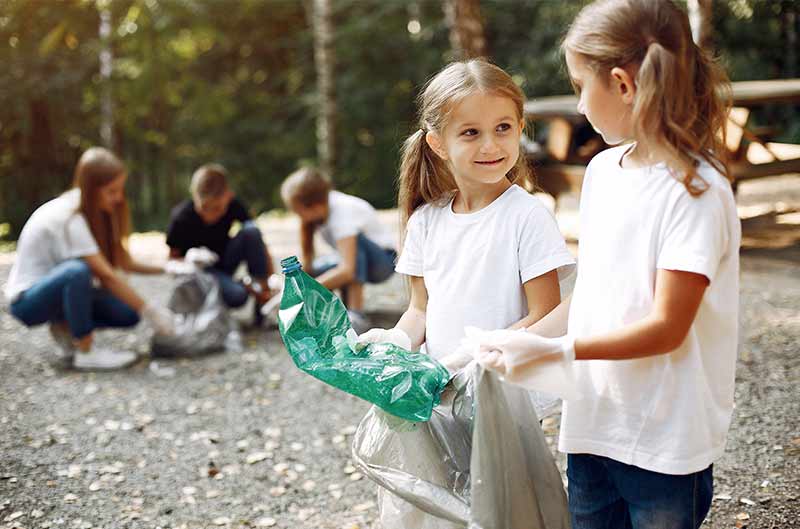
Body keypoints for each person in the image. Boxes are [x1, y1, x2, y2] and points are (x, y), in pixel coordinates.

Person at [473, 2, 740, 528]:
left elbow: (667, 329)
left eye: (578, 86)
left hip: (666, 442)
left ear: (621, 84)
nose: (577, 104)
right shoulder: (601, 172)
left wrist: (555, 351)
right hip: (593, 425)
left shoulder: (697, 190)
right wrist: (512, 339)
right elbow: (594, 292)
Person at [356, 59, 576, 527]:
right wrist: (396, 341)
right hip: (435, 395)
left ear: (520, 128)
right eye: (471, 133)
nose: (492, 145)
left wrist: (472, 358)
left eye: (502, 128)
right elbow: (420, 309)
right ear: (438, 143)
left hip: (497, 392)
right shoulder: (426, 221)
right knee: (440, 508)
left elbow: (546, 313)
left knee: (501, 507)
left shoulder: (526, 216)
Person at [6, 147, 175, 370]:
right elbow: (106, 275)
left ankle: (64, 328)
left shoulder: (94, 214)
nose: (119, 198)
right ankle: (86, 351)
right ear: (91, 189)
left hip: (53, 291)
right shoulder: (69, 217)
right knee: (77, 271)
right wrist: (151, 310)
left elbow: (123, 263)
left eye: (120, 190)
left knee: (128, 314)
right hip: (27, 301)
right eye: (112, 191)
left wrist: (170, 267)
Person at [280, 166, 398, 333]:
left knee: (355, 246)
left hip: (382, 262)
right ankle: (326, 312)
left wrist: (307, 291)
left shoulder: (342, 214)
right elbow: (309, 264)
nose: (299, 217)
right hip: (350, 260)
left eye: (299, 212)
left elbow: (348, 270)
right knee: (310, 272)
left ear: (315, 206)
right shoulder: (320, 213)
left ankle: (356, 313)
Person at [166, 164, 274, 325]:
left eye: (217, 208)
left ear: (228, 196)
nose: (210, 215)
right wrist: (192, 261)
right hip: (203, 273)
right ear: (195, 197)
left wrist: (269, 281)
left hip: (225, 261)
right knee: (237, 296)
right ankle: (245, 285)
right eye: (204, 208)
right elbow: (172, 263)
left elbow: (259, 244)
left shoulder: (234, 205)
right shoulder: (181, 217)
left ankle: (263, 300)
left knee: (252, 232)